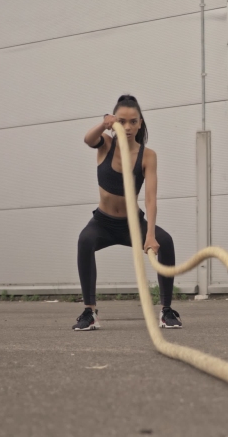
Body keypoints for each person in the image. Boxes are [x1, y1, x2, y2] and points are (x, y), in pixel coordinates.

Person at [73, 94, 182, 331]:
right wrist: (103, 124)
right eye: (122, 121)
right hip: (103, 222)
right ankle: (89, 311)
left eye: (133, 121)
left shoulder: (147, 155)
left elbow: (151, 198)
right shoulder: (105, 144)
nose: (128, 127)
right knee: (84, 241)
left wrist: (150, 234)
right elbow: (86, 139)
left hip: (132, 224)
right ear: (114, 123)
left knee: (166, 242)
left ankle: (166, 311)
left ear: (140, 123)